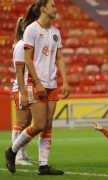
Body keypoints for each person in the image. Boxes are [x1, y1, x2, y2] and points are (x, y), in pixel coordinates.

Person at [5, 0, 70, 175]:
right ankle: (12, 151)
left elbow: (60, 58)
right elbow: (27, 59)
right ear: (43, 9)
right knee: (39, 124)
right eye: (53, 6)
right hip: (35, 83)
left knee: (48, 125)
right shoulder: (32, 29)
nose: (56, 9)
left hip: (52, 84)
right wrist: (37, 82)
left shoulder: (56, 32)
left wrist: (65, 81)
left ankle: (43, 165)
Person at [11, 15, 37, 166]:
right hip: (22, 88)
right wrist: (22, 93)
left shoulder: (26, 45)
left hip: (28, 88)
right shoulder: (21, 46)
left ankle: (23, 154)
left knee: (28, 124)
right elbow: (19, 72)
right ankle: (17, 156)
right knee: (21, 122)